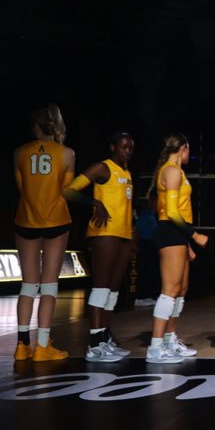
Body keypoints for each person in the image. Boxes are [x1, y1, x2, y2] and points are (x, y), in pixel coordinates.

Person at [64, 132, 137, 363]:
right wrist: (94, 203)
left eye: (131, 147)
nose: (127, 150)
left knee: (113, 290)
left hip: (123, 235)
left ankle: (104, 339)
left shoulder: (126, 172)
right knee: (101, 287)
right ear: (113, 146)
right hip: (105, 233)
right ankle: (94, 346)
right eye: (123, 146)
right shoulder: (102, 168)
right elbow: (69, 191)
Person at [11, 105, 75, 361]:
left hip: (26, 219)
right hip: (56, 220)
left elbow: (22, 188)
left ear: (36, 126)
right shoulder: (67, 153)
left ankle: (21, 344)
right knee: (49, 285)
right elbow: (67, 190)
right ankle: (43, 346)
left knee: (28, 284)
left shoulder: (19, 153)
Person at [145, 134, 210, 363]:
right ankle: (155, 347)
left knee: (181, 289)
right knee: (170, 290)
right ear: (184, 148)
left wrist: (187, 243)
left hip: (178, 234)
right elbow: (172, 212)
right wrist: (194, 236)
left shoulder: (176, 170)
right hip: (170, 231)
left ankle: (170, 339)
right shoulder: (171, 171)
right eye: (188, 150)